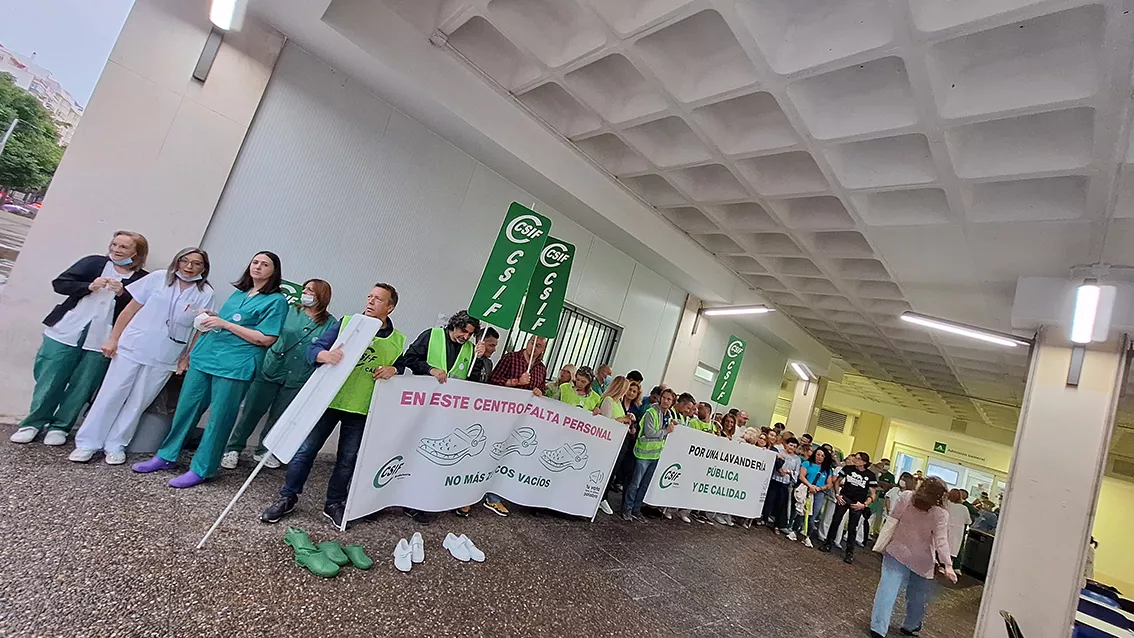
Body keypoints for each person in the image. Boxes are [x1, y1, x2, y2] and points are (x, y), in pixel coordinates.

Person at [132, 251, 288, 488]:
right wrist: (214, 318)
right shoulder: (239, 294)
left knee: (219, 418)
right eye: (255, 262)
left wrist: (226, 323)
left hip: (235, 365)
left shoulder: (276, 301)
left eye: (264, 264)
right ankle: (166, 455)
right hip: (206, 357)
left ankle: (203, 468)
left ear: (274, 271)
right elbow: (230, 323)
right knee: (186, 409)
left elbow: (265, 338)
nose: (257, 267)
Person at [260, 283, 404, 528]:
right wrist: (324, 356)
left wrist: (395, 370)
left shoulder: (397, 339)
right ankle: (287, 497)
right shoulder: (348, 323)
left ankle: (334, 504)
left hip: (361, 407)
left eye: (378, 299)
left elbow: (400, 365)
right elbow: (313, 349)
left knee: (348, 458)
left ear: (390, 307)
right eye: (369, 296)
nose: (370, 301)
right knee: (305, 450)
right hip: (327, 401)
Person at [69, 247, 213, 465]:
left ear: (204, 268)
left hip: (166, 355)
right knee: (111, 394)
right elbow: (129, 310)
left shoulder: (206, 294)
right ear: (177, 261)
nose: (189, 267)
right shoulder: (157, 278)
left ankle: (116, 444)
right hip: (132, 347)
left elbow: (200, 330)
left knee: (138, 402)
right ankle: (88, 443)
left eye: (196, 263)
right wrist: (113, 338)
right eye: (185, 261)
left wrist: (187, 357)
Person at [11, 231, 149, 446]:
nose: (116, 250)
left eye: (123, 247)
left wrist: (123, 294)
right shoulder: (93, 263)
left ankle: (61, 427)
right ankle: (33, 423)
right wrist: (88, 286)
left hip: (102, 338)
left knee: (83, 385)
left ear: (137, 253)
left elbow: (140, 310)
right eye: (114, 244)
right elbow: (60, 283)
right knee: (50, 378)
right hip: (67, 330)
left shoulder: (142, 279)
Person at [222, 279, 335, 470]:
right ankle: (233, 448)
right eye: (305, 288)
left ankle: (264, 450)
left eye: (310, 291)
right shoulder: (289, 310)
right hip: (272, 367)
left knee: (280, 416)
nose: (305, 293)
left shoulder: (330, 323)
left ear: (322, 296)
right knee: (252, 410)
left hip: (299, 374)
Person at [396, 310, 480, 524]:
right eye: (463, 331)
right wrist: (430, 369)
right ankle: (406, 499)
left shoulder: (470, 348)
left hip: (448, 412)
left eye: (470, 334)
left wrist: (479, 359)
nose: (466, 337)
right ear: (454, 325)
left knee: (433, 460)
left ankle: (423, 502)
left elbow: (472, 378)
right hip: (424, 406)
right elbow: (409, 359)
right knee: (416, 453)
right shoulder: (431, 335)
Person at [465, 335, 547, 517]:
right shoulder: (510, 358)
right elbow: (493, 381)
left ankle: (493, 497)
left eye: (539, 345)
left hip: (522, 422)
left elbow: (543, 390)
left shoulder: (541, 368)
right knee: (487, 452)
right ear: (527, 343)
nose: (535, 346)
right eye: (533, 342)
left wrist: (539, 391)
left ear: (543, 350)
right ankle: (468, 496)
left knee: (507, 457)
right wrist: (515, 383)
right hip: (501, 416)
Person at [869, 478, 957, 638]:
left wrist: (882, 541)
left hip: (896, 550)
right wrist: (948, 565)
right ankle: (910, 625)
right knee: (917, 596)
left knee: (887, 589)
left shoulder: (906, 497)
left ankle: (878, 628)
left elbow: (892, 521)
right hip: (922, 560)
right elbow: (941, 540)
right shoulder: (940, 513)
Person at [622, 387, 676, 522]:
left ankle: (636, 509)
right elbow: (649, 432)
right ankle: (627, 509)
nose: (665, 401)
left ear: (672, 402)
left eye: (669, 399)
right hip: (643, 453)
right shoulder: (651, 412)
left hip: (655, 455)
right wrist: (666, 431)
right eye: (664, 397)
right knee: (635, 483)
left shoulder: (669, 416)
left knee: (644, 485)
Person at [821, 452, 878, 563]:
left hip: (858, 502)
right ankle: (828, 544)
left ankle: (849, 553)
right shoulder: (848, 469)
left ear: (864, 462)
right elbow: (837, 481)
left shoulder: (870, 475)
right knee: (836, 520)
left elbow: (873, 494)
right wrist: (838, 494)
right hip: (844, 497)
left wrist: (864, 504)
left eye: (858, 459)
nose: (855, 460)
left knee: (852, 528)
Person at [594, 376, 635, 516]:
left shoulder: (618, 403)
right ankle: (601, 497)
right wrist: (623, 419)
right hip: (609, 443)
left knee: (612, 471)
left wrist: (627, 420)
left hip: (620, 442)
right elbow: (607, 422)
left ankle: (603, 496)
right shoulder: (608, 401)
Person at [799, 447, 835, 548]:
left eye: (822, 456)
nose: (819, 457)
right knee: (801, 511)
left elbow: (829, 484)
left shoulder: (827, 470)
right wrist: (810, 486)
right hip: (806, 489)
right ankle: (795, 529)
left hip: (819, 493)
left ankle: (807, 536)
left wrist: (819, 488)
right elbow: (802, 476)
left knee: (813, 515)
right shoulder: (807, 464)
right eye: (818, 454)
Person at [767, 436, 801, 536]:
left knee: (781, 505)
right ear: (786, 444)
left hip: (785, 483)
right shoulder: (779, 452)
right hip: (775, 479)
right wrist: (779, 469)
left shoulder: (797, 459)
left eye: (794, 446)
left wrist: (788, 472)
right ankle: (763, 518)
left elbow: (796, 472)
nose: (792, 448)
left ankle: (777, 525)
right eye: (790, 445)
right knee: (770, 500)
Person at [944, 489, 972, 569]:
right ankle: (948, 566)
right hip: (957, 531)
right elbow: (968, 521)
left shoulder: (946, 504)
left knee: (942, 545)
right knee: (953, 548)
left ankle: (939, 564)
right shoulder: (964, 508)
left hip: (945, 527)